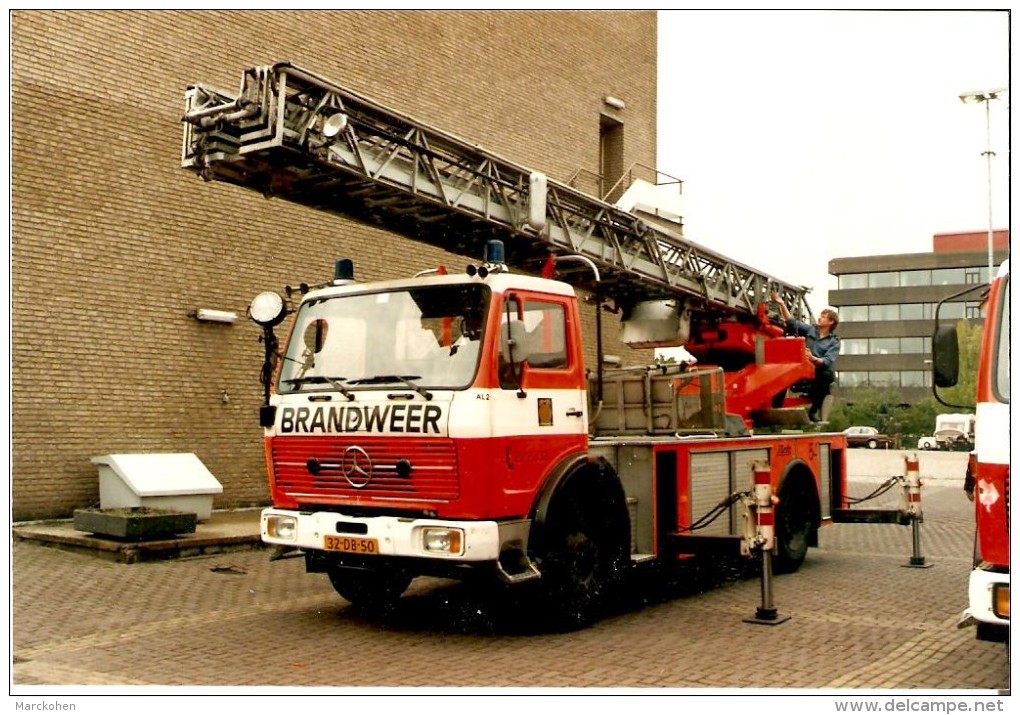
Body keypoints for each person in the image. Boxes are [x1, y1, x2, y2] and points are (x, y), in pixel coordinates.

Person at [769, 292, 841, 423]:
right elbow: (791, 322)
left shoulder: (834, 341)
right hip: (803, 367)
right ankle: (775, 407)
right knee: (783, 371)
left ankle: (813, 411)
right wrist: (781, 303)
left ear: (831, 322)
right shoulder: (810, 330)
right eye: (820, 316)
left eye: (823, 317)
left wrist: (812, 358)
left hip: (818, 371)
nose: (820, 318)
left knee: (827, 375)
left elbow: (827, 360)